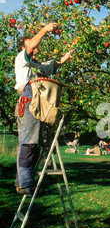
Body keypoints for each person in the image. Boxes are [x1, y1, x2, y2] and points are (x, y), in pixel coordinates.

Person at [15, 22, 74, 195]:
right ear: (24, 48)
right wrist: (45, 30)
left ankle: (24, 182)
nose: (37, 48)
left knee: (37, 144)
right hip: (27, 103)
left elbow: (57, 64)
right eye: (32, 45)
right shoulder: (21, 60)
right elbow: (33, 43)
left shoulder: (37, 67)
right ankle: (24, 183)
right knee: (28, 143)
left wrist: (68, 55)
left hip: (41, 105)